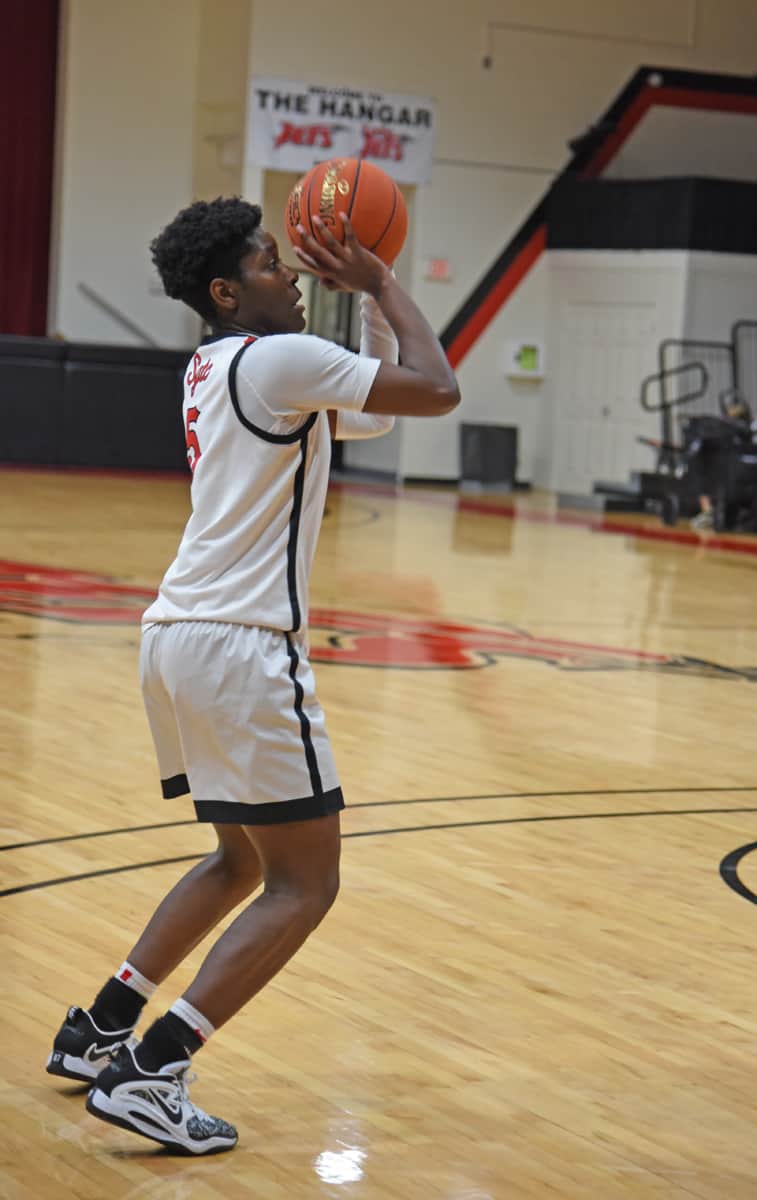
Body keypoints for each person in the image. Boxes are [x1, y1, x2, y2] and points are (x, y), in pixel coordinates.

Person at [45, 196, 460, 1154]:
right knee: (304, 885)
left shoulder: (216, 363)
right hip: (243, 646)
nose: (295, 278)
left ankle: (101, 1025)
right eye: (276, 265)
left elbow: (375, 415)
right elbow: (433, 389)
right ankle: (153, 1071)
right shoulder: (278, 360)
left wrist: (355, 302)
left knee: (239, 862)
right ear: (229, 290)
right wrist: (383, 281)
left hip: (175, 634)